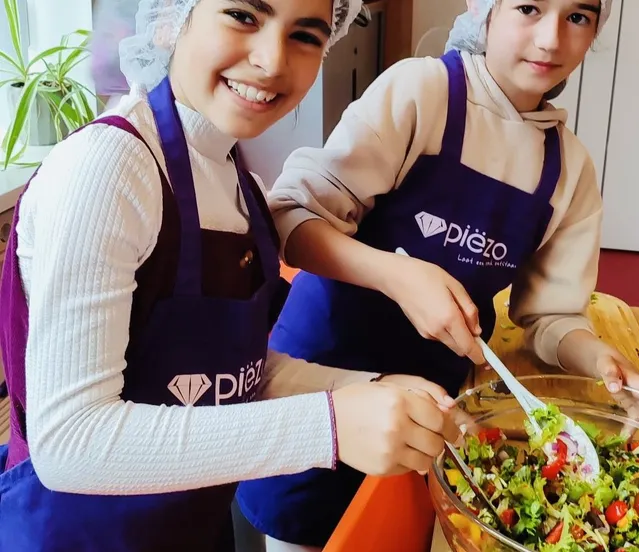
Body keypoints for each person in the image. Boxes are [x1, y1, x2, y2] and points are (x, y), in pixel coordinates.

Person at [0, 0, 461, 550]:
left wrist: (366, 391)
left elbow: (231, 374)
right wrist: (329, 425)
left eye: (306, 36)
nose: (272, 61)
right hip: (79, 535)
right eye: (244, 15)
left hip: (190, 524)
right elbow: (71, 443)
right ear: (173, 16)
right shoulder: (108, 170)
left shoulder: (237, 182)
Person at [234, 0, 639, 548]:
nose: (550, 40)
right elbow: (292, 218)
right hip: (320, 382)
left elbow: (551, 317)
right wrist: (400, 278)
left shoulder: (569, 170)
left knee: (392, 535)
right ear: (485, 10)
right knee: (299, 530)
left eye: (578, 17)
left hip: (433, 407)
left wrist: (605, 365)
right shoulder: (422, 94)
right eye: (528, 7)